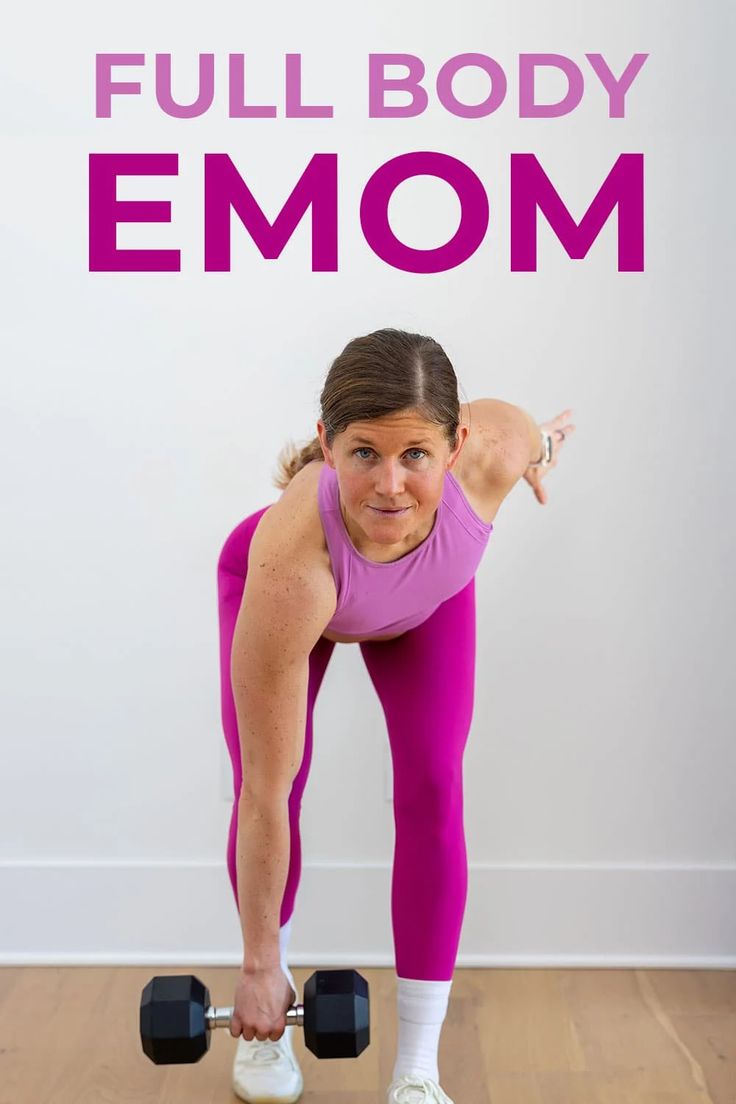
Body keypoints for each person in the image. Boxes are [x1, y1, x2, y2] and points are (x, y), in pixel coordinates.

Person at [216, 327, 575, 1104]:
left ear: (458, 447)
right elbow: (266, 801)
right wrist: (255, 971)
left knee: (434, 787)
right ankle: (266, 1029)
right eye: (363, 453)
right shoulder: (289, 568)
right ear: (326, 443)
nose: (389, 484)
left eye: (416, 454)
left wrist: (542, 450)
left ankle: (418, 1069)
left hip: (423, 606)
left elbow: (532, 441)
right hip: (302, 597)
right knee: (274, 778)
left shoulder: (497, 451)